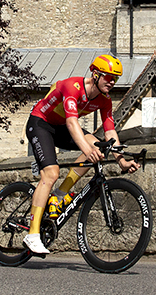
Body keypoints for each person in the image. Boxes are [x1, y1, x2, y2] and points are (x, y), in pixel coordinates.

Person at [23, 54, 138, 256]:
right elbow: (72, 122)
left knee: (101, 145)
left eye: (115, 79)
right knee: (50, 174)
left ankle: (60, 194)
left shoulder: (104, 100)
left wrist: (122, 161)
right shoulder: (72, 86)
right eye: (108, 77)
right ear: (95, 74)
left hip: (61, 128)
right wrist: (87, 150)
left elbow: (110, 132)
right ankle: (32, 235)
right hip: (41, 123)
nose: (111, 82)